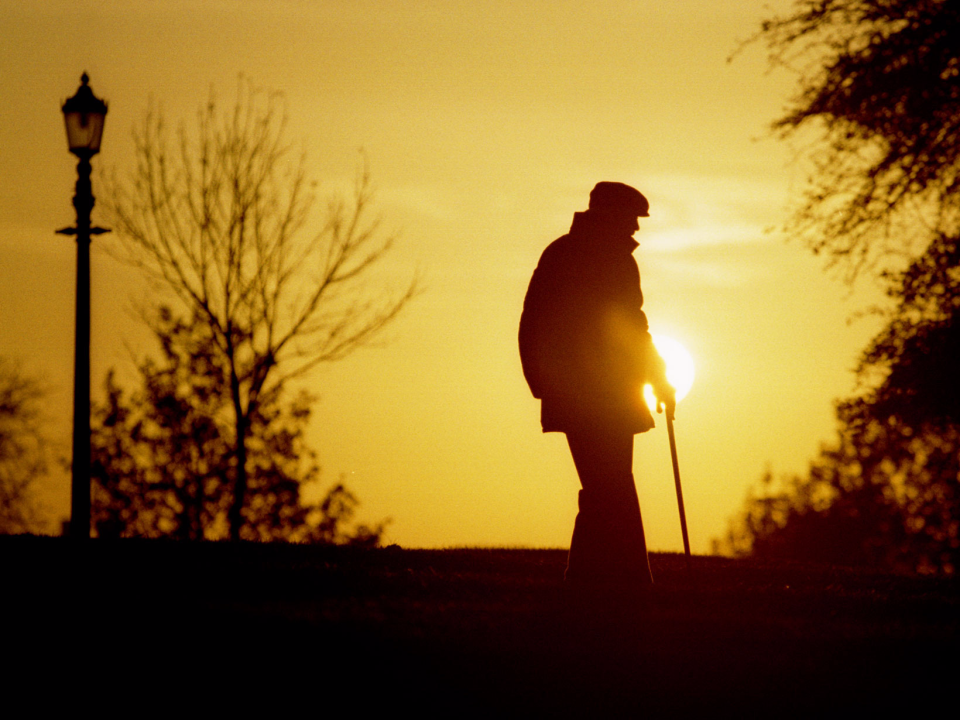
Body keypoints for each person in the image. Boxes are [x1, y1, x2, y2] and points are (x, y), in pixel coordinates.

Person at [519, 181, 674, 603]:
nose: (634, 230)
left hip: (589, 390)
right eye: (630, 220)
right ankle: (628, 583)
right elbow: (629, 327)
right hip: (598, 390)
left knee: (605, 486)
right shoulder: (601, 258)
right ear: (608, 215)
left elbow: (534, 322)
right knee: (611, 485)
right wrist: (656, 377)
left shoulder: (565, 253)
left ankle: (588, 580)